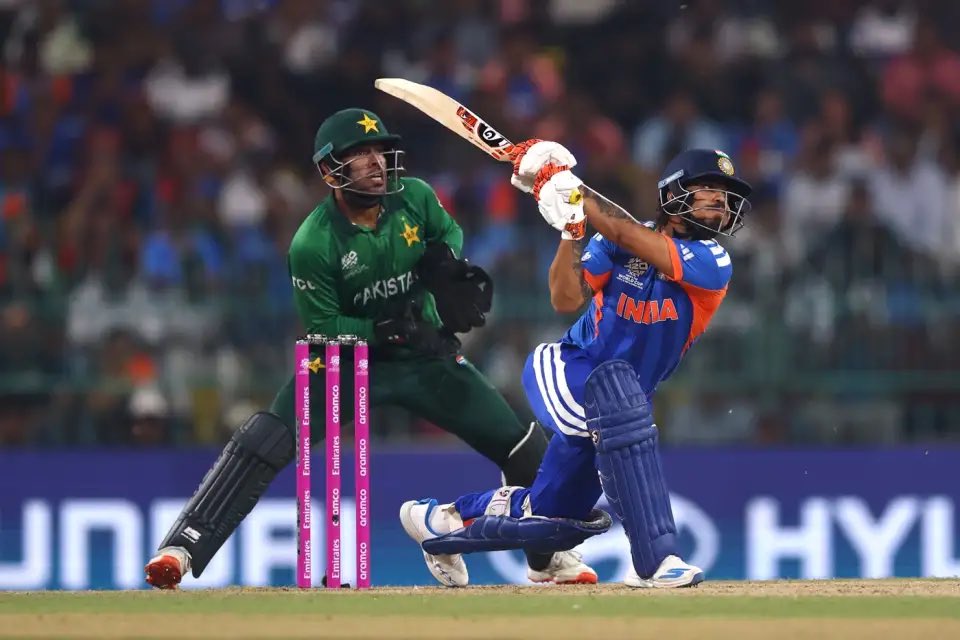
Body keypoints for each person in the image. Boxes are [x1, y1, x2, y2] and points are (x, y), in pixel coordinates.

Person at [145, 110, 596, 589]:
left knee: (526, 447)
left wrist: (444, 262)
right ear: (330, 170)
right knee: (267, 438)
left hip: (423, 353)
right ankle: (182, 547)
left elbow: (448, 233)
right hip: (343, 362)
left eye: (380, 151)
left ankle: (546, 559)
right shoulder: (312, 243)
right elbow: (322, 326)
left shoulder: (415, 196)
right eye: (360, 154)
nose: (377, 162)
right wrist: (383, 330)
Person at [399, 142, 752, 588]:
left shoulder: (713, 261)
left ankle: (439, 523)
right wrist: (570, 231)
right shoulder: (614, 240)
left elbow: (625, 233)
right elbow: (565, 298)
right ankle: (658, 560)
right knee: (620, 400)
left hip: (621, 405)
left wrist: (569, 186)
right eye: (708, 188)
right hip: (569, 368)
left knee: (551, 519)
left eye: (725, 194)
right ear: (673, 192)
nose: (720, 200)